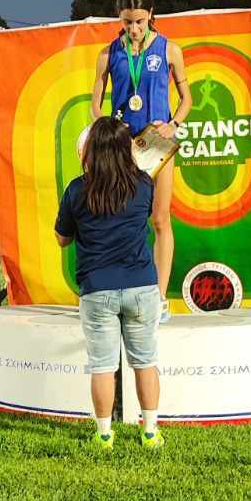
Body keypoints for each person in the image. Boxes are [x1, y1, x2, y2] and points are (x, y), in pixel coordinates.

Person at [55, 115, 164, 451]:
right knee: (144, 362)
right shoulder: (144, 184)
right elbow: (148, 218)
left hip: (97, 288)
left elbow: (62, 239)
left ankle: (104, 435)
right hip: (141, 286)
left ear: (91, 150)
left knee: (102, 367)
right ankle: (150, 432)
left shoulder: (77, 189)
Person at [88, 0, 192, 321]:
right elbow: (95, 102)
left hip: (157, 143)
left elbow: (187, 98)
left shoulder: (170, 50)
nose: (133, 29)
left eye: (139, 22)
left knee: (160, 219)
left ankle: (159, 298)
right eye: (127, 22)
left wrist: (174, 123)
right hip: (123, 146)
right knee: (121, 221)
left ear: (151, 16)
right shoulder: (108, 54)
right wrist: (104, 125)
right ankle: (121, 294)